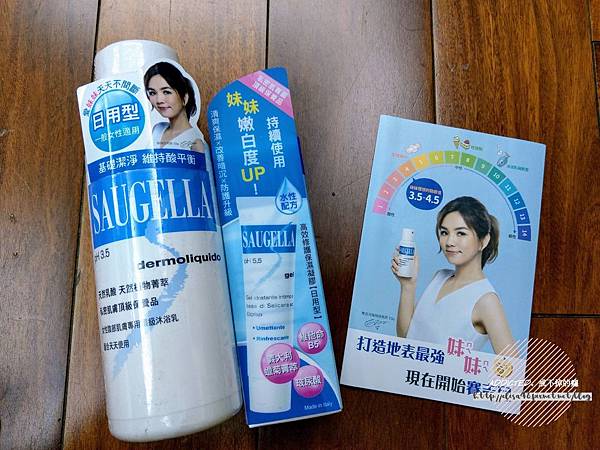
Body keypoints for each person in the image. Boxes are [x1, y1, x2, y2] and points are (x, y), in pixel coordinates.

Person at [391, 196, 516, 354]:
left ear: (483, 241)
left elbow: (511, 365)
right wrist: (408, 286)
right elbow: (406, 338)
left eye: (461, 233)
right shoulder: (439, 277)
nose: (449, 241)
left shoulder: (486, 300)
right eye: (444, 232)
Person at [144, 61, 206, 152]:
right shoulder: (157, 129)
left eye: (166, 92)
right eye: (152, 93)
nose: (159, 100)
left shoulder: (196, 142)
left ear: (185, 98)